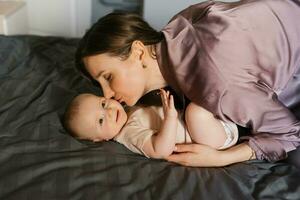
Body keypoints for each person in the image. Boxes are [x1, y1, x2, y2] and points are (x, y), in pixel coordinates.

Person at [75, 0, 300, 168]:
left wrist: (221, 158)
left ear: (138, 51)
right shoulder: (176, 26)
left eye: (108, 77)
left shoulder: (219, 84)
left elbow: (288, 133)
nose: (107, 95)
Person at [64, 90, 239, 159]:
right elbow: (159, 150)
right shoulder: (127, 134)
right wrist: (170, 118)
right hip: (210, 138)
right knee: (196, 111)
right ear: (98, 139)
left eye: (103, 104)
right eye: (101, 121)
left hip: (211, 124)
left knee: (201, 98)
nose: (109, 112)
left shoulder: (128, 111)